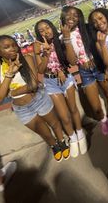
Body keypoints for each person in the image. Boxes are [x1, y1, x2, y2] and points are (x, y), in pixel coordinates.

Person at [0, 35, 69, 162]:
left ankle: (61, 140)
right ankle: (54, 145)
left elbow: (32, 86)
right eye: (6, 47)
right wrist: (9, 74)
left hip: (39, 99)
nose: (12, 49)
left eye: (14, 45)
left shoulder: (26, 59)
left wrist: (10, 93)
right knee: (44, 133)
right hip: (23, 110)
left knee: (54, 123)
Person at [60, 6, 108, 135]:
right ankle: (104, 120)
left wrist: (105, 67)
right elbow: (71, 61)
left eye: (75, 15)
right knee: (95, 105)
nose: (71, 17)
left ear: (80, 17)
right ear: (63, 17)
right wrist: (66, 37)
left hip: (98, 66)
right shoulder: (63, 38)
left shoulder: (87, 28)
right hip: (85, 72)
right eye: (68, 15)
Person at [34, 19, 87, 158]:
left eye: (48, 28)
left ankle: (80, 133)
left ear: (52, 27)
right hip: (51, 82)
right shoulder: (38, 46)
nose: (46, 31)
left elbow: (71, 61)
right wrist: (45, 54)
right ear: (38, 34)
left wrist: (62, 69)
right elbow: (40, 70)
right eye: (42, 30)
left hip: (66, 78)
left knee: (73, 109)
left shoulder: (61, 39)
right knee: (64, 116)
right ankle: (72, 137)